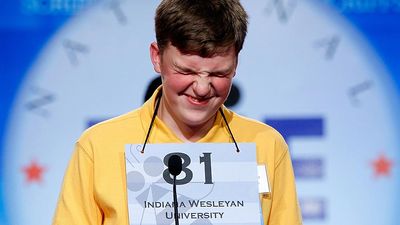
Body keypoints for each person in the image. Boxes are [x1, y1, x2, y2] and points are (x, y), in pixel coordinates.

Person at [52, 0, 302, 224]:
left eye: (219, 73)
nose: (202, 88)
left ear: (235, 64)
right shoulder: (98, 146)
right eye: (186, 71)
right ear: (157, 57)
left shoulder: (267, 145)